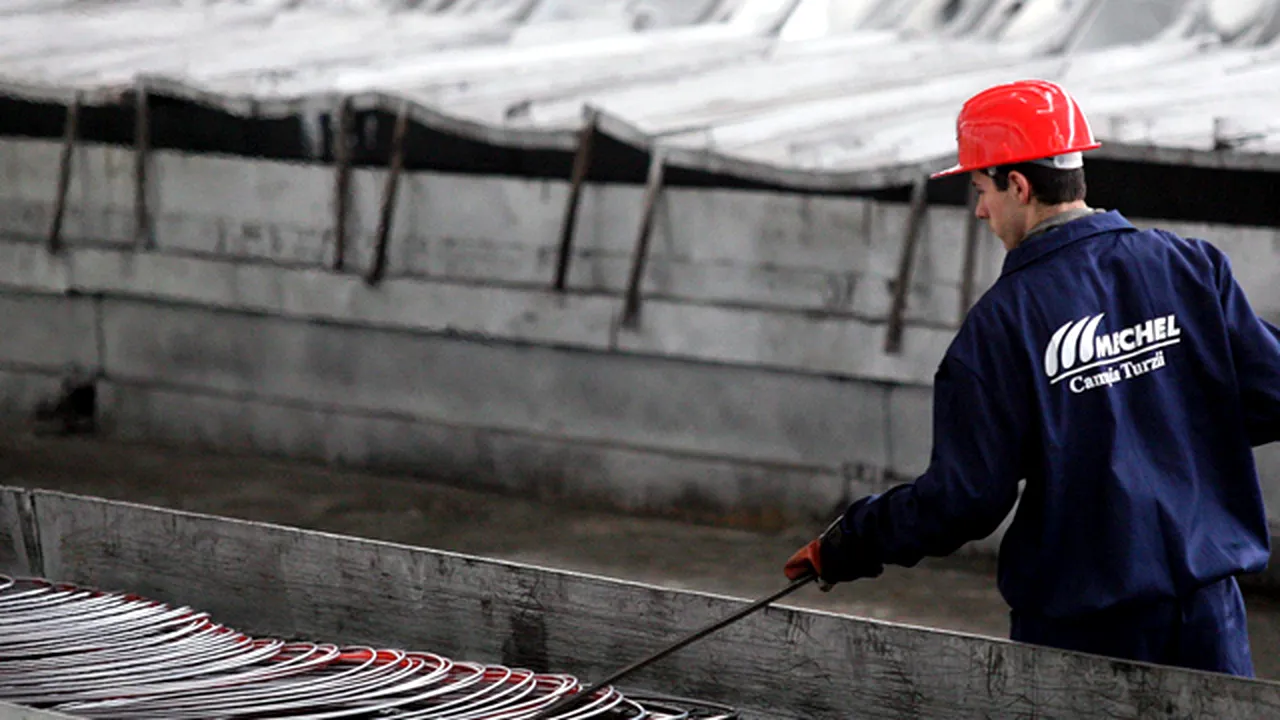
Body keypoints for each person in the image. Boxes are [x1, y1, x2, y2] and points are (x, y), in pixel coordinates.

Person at [783, 78, 1280, 677]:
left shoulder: (1001, 325)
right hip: (1211, 620)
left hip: (1084, 634)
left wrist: (851, 543)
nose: (980, 210)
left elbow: (965, 499)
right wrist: (1166, 417)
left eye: (980, 188)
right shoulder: (1191, 267)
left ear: (1018, 184)